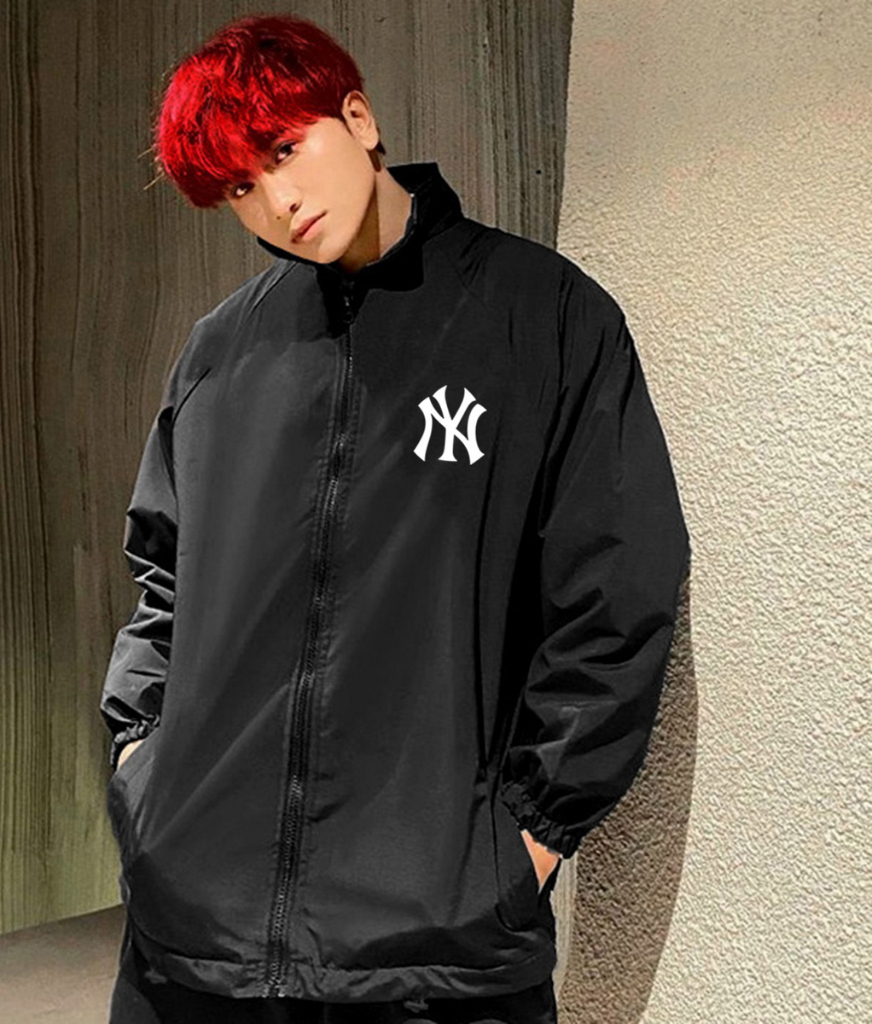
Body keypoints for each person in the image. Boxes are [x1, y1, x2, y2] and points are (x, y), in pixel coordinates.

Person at [100, 12, 691, 1024]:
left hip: (437, 958)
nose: (276, 202)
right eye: (239, 187)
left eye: (284, 150)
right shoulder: (221, 355)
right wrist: (140, 767)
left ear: (359, 119)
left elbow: (617, 589)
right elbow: (164, 583)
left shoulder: (541, 317)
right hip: (194, 951)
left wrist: (522, 842)